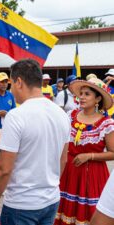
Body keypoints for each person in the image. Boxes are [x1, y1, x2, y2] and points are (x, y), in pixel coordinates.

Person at [0, 59, 70, 225]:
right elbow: (63, 159)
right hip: (51, 198)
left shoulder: (16, 115)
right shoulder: (61, 114)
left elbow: (3, 169)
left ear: (18, 82)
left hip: (21, 203)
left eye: (10, 82)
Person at [54, 78, 114, 225]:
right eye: (81, 93)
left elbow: (113, 152)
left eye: (87, 94)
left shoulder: (106, 123)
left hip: (93, 175)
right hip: (69, 172)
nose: (81, 97)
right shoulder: (70, 116)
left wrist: (90, 156)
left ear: (98, 98)